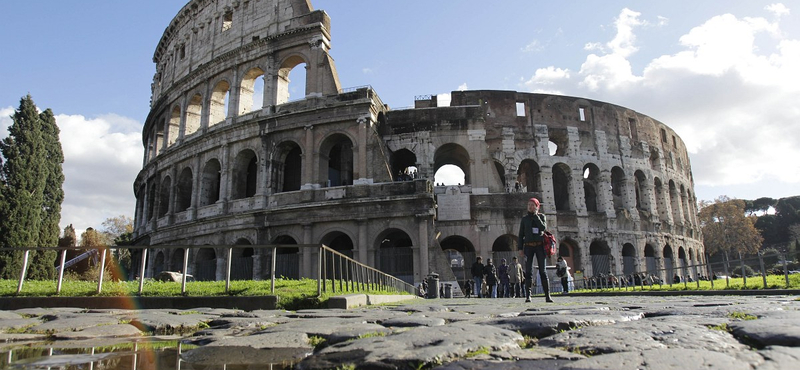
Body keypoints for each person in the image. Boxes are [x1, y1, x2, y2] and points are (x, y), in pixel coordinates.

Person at [518, 197, 552, 303]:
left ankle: (547, 296)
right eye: (529, 205)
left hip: (540, 246)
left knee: (543, 271)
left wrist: (536, 216)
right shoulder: (524, 219)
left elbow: (543, 228)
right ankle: (528, 295)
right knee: (528, 271)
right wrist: (520, 248)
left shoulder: (542, 217)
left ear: (537, 206)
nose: (530, 207)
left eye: (533, 205)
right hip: (528, 246)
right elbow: (520, 235)